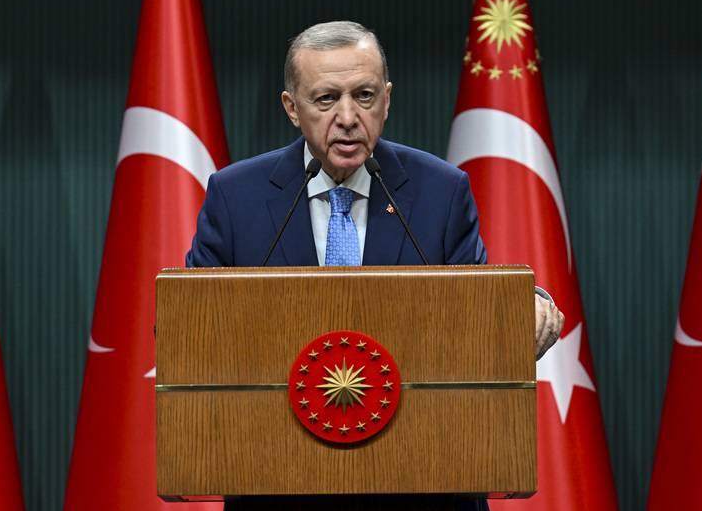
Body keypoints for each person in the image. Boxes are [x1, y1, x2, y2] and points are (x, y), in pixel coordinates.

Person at [185, 20, 564, 359]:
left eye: (364, 96)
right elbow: (186, 321)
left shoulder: (441, 192)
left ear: (386, 101)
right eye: (326, 99)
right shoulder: (236, 197)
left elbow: (479, 305)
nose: (348, 119)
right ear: (292, 108)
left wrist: (529, 305)